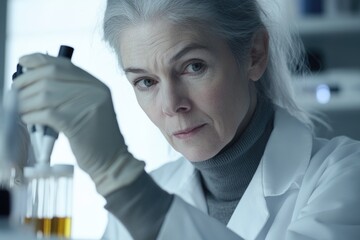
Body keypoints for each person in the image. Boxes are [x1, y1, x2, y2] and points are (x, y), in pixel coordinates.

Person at [13, 0, 360, 239]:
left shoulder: (344, 176)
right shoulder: (151, 194)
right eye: (146, 82)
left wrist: (124, 184)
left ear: (254, 55)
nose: (171, 104)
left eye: (194, 67)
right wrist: (13, 181)